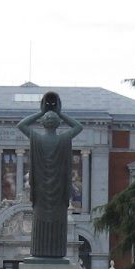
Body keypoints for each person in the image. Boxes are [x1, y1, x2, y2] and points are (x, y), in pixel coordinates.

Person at [16, 92, 84, 258]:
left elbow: (21, 125)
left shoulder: (36, 138)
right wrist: (60, 112)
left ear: (42, 123)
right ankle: (57, 254)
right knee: (57, 223)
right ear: (58, 123)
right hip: (59, 194)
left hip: (40, 193)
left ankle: (39, 252)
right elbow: (78, 127)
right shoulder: (63, 139)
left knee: (40, 223)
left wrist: (41, 111)